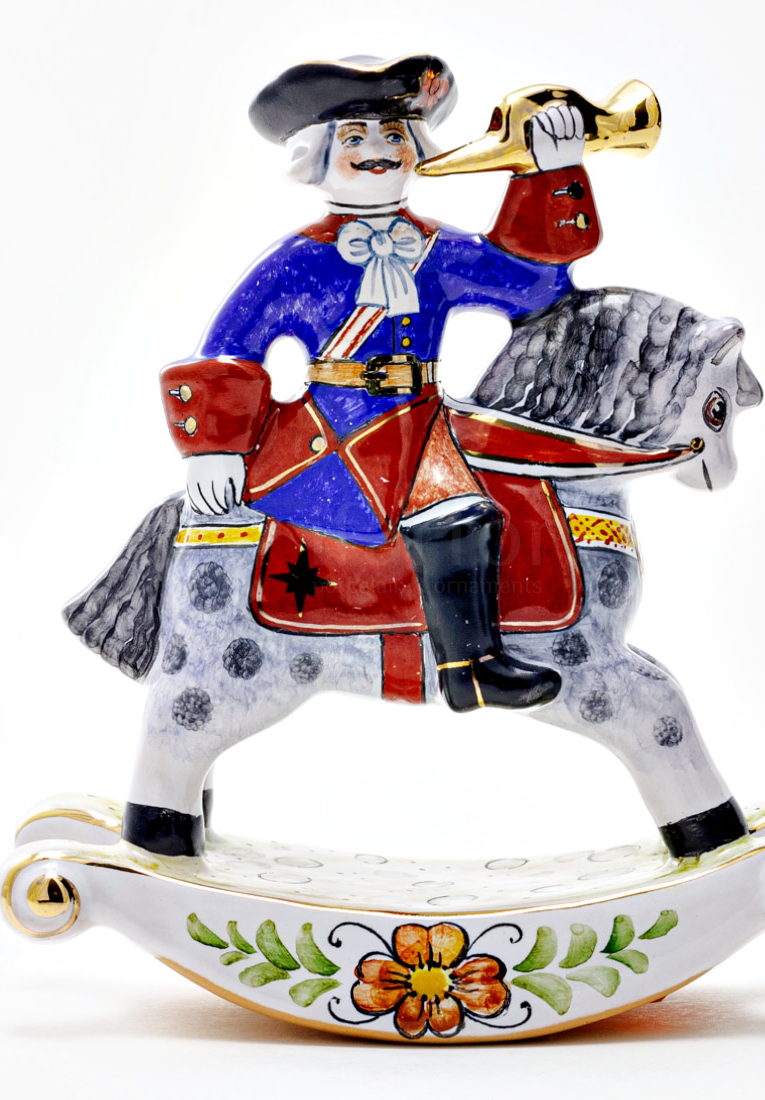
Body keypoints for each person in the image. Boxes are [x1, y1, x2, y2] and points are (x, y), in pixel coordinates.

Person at [161, 55, 602, 712]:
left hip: (420, 422)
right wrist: (213, 447)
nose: (378, 149)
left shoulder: (440, 250)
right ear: (317, 154)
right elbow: (230, 345)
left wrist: (551, 172)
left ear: (416, 147)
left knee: (471, 512)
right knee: (453, 510)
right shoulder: (296, 260)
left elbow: (535, 287)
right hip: (332, 432)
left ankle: (471, 666)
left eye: (393, 133)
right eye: (355, 136)